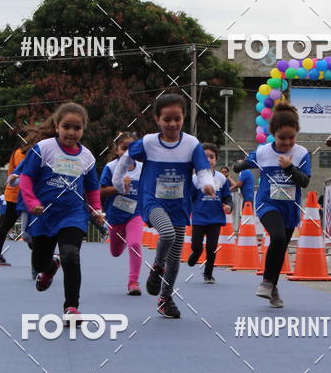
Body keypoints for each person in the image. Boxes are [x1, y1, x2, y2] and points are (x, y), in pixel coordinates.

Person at [112, 93, 215, 319]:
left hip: (179, 206)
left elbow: (203, 169)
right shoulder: (149, 142)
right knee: (166, 235)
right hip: (153, 202)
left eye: (177, 118)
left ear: (184, 118)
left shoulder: (191, 144)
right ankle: (157, 267)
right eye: (167, 119)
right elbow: (126, 158)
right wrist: (117, 182)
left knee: (175, 257)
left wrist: (207, 184)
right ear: (157, 119)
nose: (172, 124)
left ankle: (165, 298)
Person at [18, 102, 105, 325]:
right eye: (66, 126)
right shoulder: (43, 148)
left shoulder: (87, 157)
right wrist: (32, 202)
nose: (71, 132)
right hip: (44, 214)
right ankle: (49, 269)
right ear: (57, 126)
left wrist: (96, 210)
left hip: (73, 214)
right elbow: (26, 178)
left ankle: (71, 307)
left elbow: (92, 188)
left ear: (83, 130)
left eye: (77, 128)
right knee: (39, 263)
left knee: (71, 255)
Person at [233, 102, 310, 308]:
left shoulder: (302, 153)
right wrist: (239, 164)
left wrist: (290, 167)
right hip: (267, 204)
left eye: (291, 138)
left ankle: (273, 288)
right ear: (273, 134)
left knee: (280, 247)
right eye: (282, 138)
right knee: (277, 237)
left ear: (297, 134)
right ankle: (267, 282)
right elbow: (247, 161)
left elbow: (304, 181)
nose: (287, 142)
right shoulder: (264, 152)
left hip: (290, 208)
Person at [100, 131, 144, 296]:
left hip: (136, 214)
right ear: (117, 150)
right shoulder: (111, 168)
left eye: (131, 149)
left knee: (134, 244)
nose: (127, 153)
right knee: (116, 252)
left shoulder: (142, 168)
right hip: (115, 216)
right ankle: (124, 238)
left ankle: (133, 282)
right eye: (123, 148)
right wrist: (119, 187)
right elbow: (100, 191)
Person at [188, 143, 232, 283]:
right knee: (196, 245)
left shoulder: (221, 178)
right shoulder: (195, 179)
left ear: (216, 160)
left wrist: (229, 206)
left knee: (212, 247)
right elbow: (189, 198)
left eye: (211, 157)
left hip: (215, 218)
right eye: (205, 157)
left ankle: (208, 274)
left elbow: (227, 197)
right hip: (199, 217)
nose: (208, 159)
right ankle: (196, 253)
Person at [0, 132, 28, 266]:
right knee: (9, 225)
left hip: (21, 194)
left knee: (13, 225)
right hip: (16, 195)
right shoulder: (20, 153)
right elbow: (24, 172)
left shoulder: (24, 152)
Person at [232, 161, 255, 234]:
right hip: (248, 196)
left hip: (247, 197)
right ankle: (246, 231)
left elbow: (239, 184)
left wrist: (231, 188)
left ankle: (247, 232)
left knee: (246, 214)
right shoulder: (247, 172)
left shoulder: (245, 172)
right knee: (246, 214)